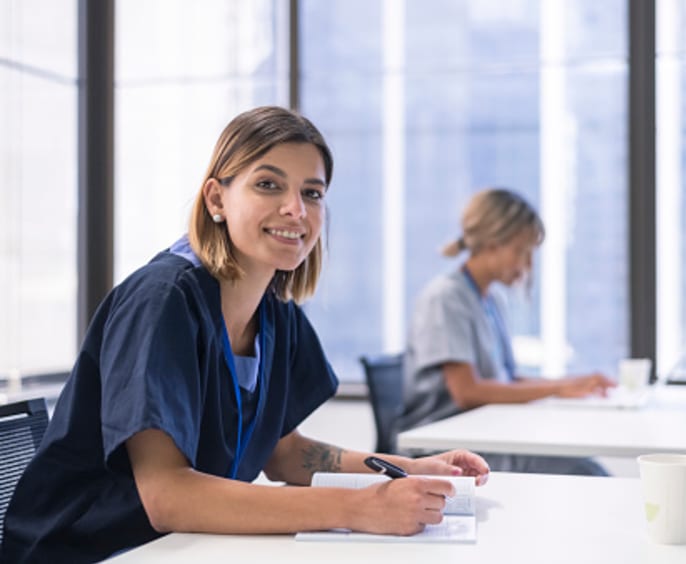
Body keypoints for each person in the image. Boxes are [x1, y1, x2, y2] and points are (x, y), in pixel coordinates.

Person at [0, 106, 489, 563]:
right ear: (217, 198)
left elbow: (285, 454)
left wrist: (411, 469)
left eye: (312, 193)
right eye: (269, 185)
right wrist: (357, 508)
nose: (296, 209)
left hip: (183, 547)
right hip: (87, 551)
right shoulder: (162, 300)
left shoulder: (275, 311)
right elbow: (168, 496)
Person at [401, 188, 615, 476]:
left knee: (582, 462)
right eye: (521, 252)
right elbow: (468, 392)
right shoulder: (445, 298)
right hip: (444, 452)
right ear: (492, 244)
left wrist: (569, 385)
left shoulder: (491, 299)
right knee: (586, 472)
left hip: (485, 434)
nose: (527, 266)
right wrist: (557, 388)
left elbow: (506, 379)